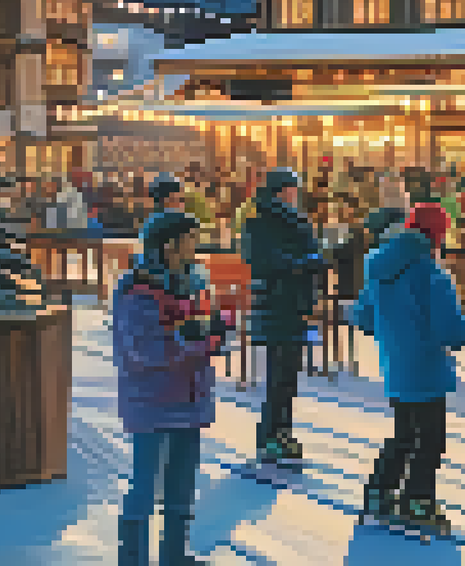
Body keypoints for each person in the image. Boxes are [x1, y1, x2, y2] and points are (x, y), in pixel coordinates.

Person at [351, 203, 465, 535]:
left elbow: (362, 315)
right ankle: (418, 500)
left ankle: (379, 494)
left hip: (395, 363)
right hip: (425, 367)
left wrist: (394, 331)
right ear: (437, 235)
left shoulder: (380, 267)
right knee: (430, 439)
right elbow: (449, 330)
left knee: (403, 434)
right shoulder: (431, 274)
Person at [114, 212, 231, 566]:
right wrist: (192, 339)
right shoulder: (138, 291)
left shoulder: (195, 284)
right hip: (152, 401)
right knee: (144, 489)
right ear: (169, 245)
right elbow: (142, 351)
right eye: (190, 238)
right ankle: (132, 559)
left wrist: (216, 330)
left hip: (190, 398)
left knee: (181, 489)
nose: (196, 245)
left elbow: (204, 329)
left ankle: (175, 556)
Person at [240, 168, 328, 463]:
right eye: (292, 189)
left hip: (294, 304)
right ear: (280, 191)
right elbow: (263, 261)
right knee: (279, 374)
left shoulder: (295, 220)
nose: (295, 195)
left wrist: (312, 262)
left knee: (288, 375)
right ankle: (272, 435)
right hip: (277, 303)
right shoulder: (261, 222)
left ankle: (281, 432)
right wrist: (305, 264)